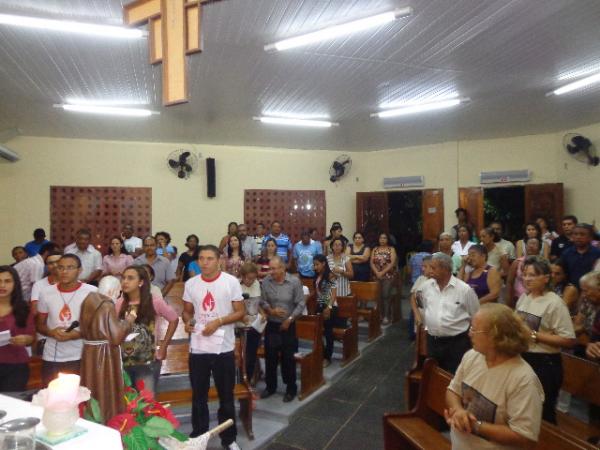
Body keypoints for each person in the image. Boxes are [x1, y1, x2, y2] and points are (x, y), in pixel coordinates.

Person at [445, 303, 544, 449]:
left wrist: (475, 426)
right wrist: (459, 411)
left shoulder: (523, 379)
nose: (469, 333)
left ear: (494, 336)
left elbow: (525, 437)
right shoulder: (472, 356)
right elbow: (453, 391)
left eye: (474, 329)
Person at [182, 245, 245, 449]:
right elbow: (187, 311)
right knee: (198, 396)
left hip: (223, 349)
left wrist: (218, 322)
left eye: (210, 258)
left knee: (226, 397)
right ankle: (198, 437)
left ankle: (229, 439)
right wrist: (188, 322)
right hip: (199, 348)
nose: (205, 262)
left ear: (219, 260)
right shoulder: (191, 283)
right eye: (201, 258)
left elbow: (240, 313)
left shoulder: (230, 282)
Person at [516, 257, 576, 423]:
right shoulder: (525, 297)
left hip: (545, 363)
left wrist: (534, 335)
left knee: (543, 412)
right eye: (525, 274)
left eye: (533, 275)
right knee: (524, 409)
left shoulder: (554, 303)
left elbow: (569, 339)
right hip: (523, 358)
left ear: (546, 278)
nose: (527, 278)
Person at [36, 254, 97, 386]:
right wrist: (52, 332)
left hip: (81, 355)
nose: (64, 271)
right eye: (61, 267)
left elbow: (98, 327)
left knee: (80, 399)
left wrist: (77, 334)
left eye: (70, 267)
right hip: (52, 356)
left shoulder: (92, 292)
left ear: (79, 270)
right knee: (51, 398)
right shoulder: (46, 292)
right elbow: (39, 325)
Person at [116, 266, 178, 394]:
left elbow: (174, 319)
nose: (125, 281)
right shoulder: (119, 303)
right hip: (123, 362)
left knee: (146, 405)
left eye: (130, 278)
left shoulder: (154, 301)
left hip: (147, 362)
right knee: (127, 405)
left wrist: (164, 346)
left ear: (141, 282)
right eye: (123, 278)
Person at [420, 253, 480, 373]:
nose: (429, 271)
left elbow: (476, 315)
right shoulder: (426, 287)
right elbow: (425, 308)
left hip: (456, 344)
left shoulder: (464, 290)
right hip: (433, 342)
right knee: (433, 378)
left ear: (445, 269)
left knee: (454, 377)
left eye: (433, 268)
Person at [80, 290, 133, 421]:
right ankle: (109, 424)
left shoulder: (87, 301)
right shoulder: (107, 305)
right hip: (105, 355)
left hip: (89, 352)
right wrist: (128, 321)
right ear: (112, 291)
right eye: (118, 293)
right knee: (106, 393)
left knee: (92, 389)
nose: (119, 296)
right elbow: (116, 337)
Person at [259, 256, 305, 402]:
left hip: (288, 325)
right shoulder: (266, 281)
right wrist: (270, 310)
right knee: (270, 357)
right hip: (272, 325)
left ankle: (291, 388)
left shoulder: (294, 282)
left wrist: (290, 319)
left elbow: (300, 303)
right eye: (269, 268)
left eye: (273, 269)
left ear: (282, 268)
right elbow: (262, 301)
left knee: (288, 359)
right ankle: (270, 387)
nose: (270, 271)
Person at [0, 266, 35, 392]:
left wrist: (26, 339)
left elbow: (31, 337)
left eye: (7, 281)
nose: (2, 285)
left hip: (15, 365)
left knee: (11, 405)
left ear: (15, 284)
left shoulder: (23, 308)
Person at [239, 262, 264, 383]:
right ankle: (243, 381)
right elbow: (234, 306)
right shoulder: (236, 286)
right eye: (249, 278)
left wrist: (262, 313)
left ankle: (249, 379)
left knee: (252, 353)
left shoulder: (257, 284)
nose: (251, 281)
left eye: (254, 278)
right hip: (241, 325)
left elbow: (257, 303)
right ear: (242, 276)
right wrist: (241, 315)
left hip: (255, 323)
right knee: (244, 355)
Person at [313, 254, 338, 367]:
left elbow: (333, 294)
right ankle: (321, 354)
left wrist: (329, 307)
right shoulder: (318, 276)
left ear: (323, 263)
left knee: (328, 332)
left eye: (317, 264)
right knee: (317, 331)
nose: (315, 267)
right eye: (314, 264)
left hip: (330, 306)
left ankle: (328, 357)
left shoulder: (330, 275)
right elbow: (318, 293)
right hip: (320, 304)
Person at [561, 223, 600, 288]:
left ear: (590, 238)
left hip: (592, 291)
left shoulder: (597, 253)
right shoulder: (566, 253)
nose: (578, 237)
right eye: (575, 234)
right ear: (572, 237)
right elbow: (564, 274)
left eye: (582, 234)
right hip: (572, 290)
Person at [506, 238, 542, 307]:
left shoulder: (543, 263)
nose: (531, 246)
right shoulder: (517, 262)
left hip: (538, 299)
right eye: (529, 244)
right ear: (525, 247)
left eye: (534, 244)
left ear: (539, 248)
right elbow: (509, 282)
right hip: (518, 298)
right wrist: (509, 300)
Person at [371, 233, 397, 325]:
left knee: (386, 295)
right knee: (378, 296)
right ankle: (379, 315)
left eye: (384, 238)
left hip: (388, 276)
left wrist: (382, 272)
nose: (382, 240)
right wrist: (377, 272)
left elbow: (392, 263)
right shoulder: (375, 249)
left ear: (387, 239)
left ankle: (386, 316)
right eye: (381, 238)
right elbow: (372, 263)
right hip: (376, 276)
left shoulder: (391, 249)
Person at [409, 255, 433, 330]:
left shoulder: (438, 282)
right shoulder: (421, 279)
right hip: (419, 315)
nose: (422, 269)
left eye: (425, 267)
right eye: (422, 266)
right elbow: (413, 297)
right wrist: (416, 314)